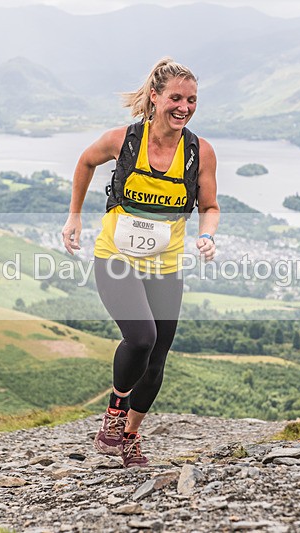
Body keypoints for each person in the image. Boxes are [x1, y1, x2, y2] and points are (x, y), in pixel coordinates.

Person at [62, 57, 219, 467]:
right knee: (142, 337)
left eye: (191, 100)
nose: (184, 107)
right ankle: (115, 412)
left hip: (165, 266)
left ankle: (130, 436)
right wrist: (74, 216)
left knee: (157, 359)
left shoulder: (199, 152)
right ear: (155, 96)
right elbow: (85, 162)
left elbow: (210, 206)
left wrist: (207, 235)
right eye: (176, 98)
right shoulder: (124, 140)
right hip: (116, 258)